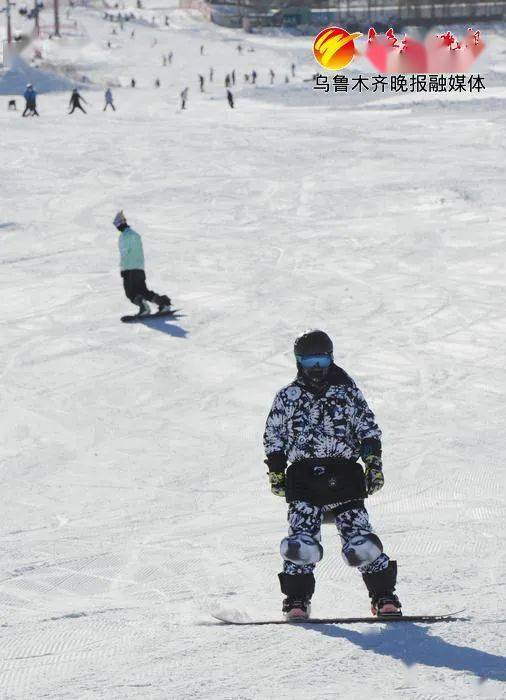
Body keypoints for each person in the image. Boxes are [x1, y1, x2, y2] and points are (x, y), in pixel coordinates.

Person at [263, 329, 402, 620]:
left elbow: (368, 430)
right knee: (301, 540)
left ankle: (383, 596)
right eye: (310, 361)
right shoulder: (288, 396)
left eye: (322, 361)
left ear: (331, 358)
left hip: (343, 474)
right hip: (303, 476)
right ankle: (297, 599)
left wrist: (373, 464)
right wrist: (276, 471)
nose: (316, 369)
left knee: (359, 538)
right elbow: (273, 436)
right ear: (299, 361)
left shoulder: (347, 392)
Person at [113, 211, 171, 316]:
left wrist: (123, 269)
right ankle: (163, 303)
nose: (117, 228)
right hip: (140, 268)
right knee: (143, 291)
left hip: (130, 269)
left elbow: (124, 254)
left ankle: (144, 308)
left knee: (131, 293)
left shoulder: (124, 236)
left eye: (116, 225)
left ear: (120, 224)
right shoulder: (135, 235)